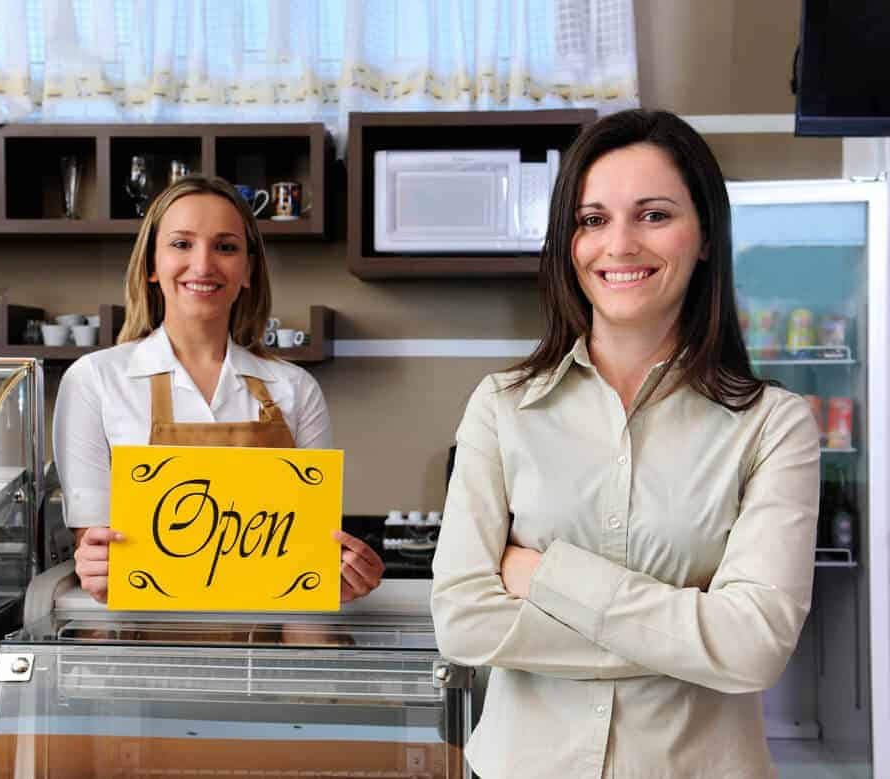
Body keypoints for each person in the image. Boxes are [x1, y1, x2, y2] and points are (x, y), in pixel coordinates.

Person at [431, 110, 820, 778]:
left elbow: (754, 647)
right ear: (569, 242)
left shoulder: (774, 424)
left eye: (653, 214)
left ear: (704, 236)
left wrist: (545, 576)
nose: (619, 244)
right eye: (592, 219)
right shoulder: (501, 407)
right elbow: (465, 623)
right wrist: (696, 636)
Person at [54, 174, 384, 605]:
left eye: (225, 247)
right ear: (152, 264)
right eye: (181, 244)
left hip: (262, 653)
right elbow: (94, 544)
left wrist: (337, 577)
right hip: (137, 650)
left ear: (247, 270)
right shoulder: (94, 380)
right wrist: (96, 565)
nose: (204, 264)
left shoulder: (295, 389)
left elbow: (305, 553)